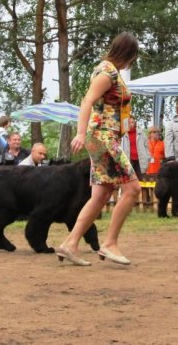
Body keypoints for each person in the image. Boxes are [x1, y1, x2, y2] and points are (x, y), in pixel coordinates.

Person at [58, 32, 141, 267]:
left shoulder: (106, 69)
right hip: (103, 137)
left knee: (101, 194)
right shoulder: (107, 72)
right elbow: (87, 101)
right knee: (133, 189)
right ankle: (110, 243)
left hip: (103, 135)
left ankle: (70, 244)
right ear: (127, 53)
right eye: (132, 57)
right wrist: (81, 133)